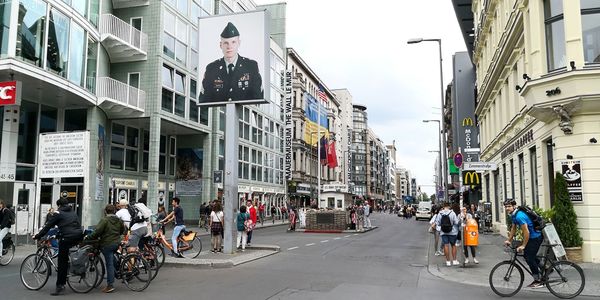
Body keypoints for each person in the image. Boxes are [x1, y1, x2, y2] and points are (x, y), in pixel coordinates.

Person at [199, 22, 263, 103]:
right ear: (220, 45)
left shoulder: (251, 66)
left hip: (242, 114)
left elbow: (258, 100)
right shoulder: (211, 68)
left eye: (233, 42)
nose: (229, 47)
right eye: (226, 43)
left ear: (239, 43)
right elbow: (203, 101)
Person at [33, 198, 83, 296]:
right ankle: (71, 266)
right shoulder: (72, 212)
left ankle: (60, 285)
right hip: (78, 236)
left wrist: (37, 236)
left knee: (62, 261)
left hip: (67, 237)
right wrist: (58, 234)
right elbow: (71, 225)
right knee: (68, 253)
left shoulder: (58, 213)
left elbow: (47, 226)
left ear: (59, 205)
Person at [85, 204, 127, 293]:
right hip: (116, 243)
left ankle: (110, 285)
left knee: (109, 264)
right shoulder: (119, 220)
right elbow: (123, 230)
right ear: (114, 211)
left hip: (107, 244)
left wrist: (88, 238)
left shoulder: (104, 220)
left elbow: (97, 232)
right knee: (112, 258)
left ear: (105, 211)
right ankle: (119, 271)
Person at [504, 199, 544, 288]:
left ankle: (538, 280)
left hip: (535, 237)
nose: (507, 208)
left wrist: (523, 245)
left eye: (509, 206)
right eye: (506, 206)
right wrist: (509, 240)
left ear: (514, 206)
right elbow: (513, 228)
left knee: (529, 258)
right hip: (532, 237)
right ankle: (546, 268)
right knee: (528, 256)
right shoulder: (514, 215)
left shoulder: (519, 216)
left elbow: (527, 232)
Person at [435, 202, 460, 266]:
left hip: (443, 232)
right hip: (452, 232)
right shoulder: (452, 213)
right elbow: (456, 222)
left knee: (446, 245)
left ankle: (448, 261)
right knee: (453, 245)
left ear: (443, 206)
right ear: (449, 206)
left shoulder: (440, 213)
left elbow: (437, 223)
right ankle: (454, 260)